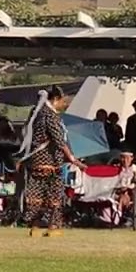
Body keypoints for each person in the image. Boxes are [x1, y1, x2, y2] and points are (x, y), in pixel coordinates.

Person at [19, 86, 84, 237]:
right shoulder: (50, 116)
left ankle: (35, 226)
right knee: (53, 193)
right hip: (50, 161)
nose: (63, 104)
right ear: (55, 100)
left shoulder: (37, 114)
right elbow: (59, 141)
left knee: (37, 193)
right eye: (62, 101)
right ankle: (52, 226)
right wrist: (73, 159)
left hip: (37, 161)